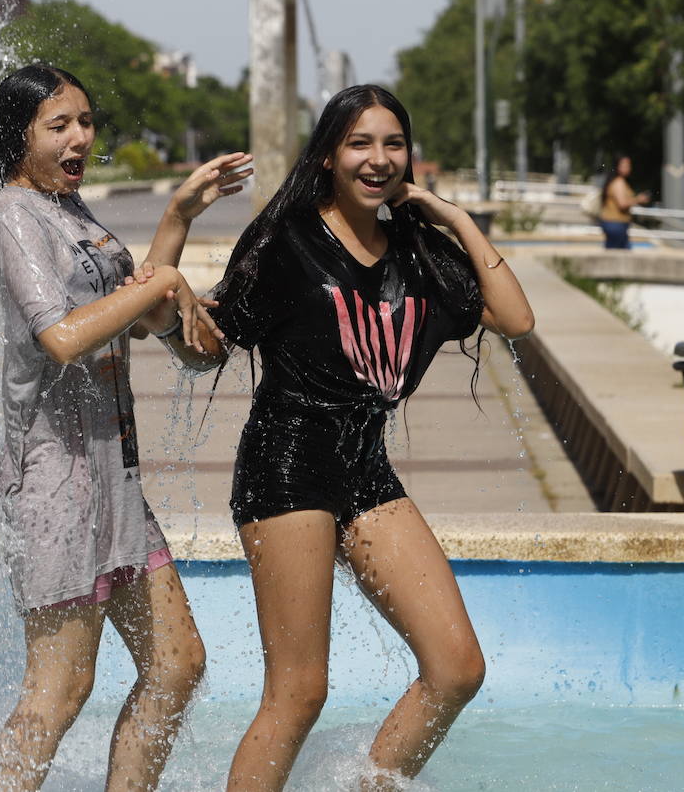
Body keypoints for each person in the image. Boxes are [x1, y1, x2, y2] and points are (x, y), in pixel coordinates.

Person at [193, 85, 534, 790]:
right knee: (299, 692)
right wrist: (168, 255)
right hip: (287, 467)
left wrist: (454, 217)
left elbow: (515, 318)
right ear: (326, 155)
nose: (378, 159)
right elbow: (210, 341)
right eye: (359, 143)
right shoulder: (289, 242)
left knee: (456, 667)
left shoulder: (419, 251)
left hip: (364, 469)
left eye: (392, 143)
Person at [0, 63, 252, 791]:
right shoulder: (10, 214)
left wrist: (178, 219)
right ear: (18, 135)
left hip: (114, 480)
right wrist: (162, 285)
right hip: (54, 486)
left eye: (85, 123)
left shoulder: (74, 212)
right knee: (58, 692)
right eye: (58, 126)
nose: (79, 139)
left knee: (176, 663)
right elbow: (62, 338)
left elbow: (135, 300)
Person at [598, 155, 650, 249]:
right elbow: (622, 203)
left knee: (618, 252)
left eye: (629, 165)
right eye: (625, 165)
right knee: (618, 254)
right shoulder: (619, 182)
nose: (628, 168)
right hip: (615, 224)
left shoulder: (617, 181)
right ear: (617, 166)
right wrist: (638, 199)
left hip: (615, 224)